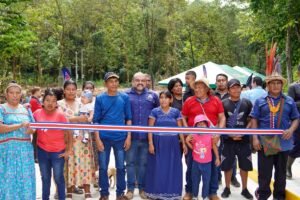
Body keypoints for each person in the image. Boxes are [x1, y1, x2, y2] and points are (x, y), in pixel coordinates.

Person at [251, 72, 299, 200]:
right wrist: (255, 138)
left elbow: (296, 119)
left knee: (281, 173)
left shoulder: (289, 101)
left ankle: (279, 197)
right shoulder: (260, 101)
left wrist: (291, 129)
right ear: (268, 85)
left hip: (284, 143)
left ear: (282, 85)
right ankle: (263, 195)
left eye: (279, 83)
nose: (276, 86)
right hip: (265, 142)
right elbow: (254, 119)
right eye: (273, 83)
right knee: (264, 173)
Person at [182, 78, 226, 200]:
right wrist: (188, 131)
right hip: (194, 140)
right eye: (195, 87)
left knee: (213, 167)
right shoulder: (189, 101)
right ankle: (190, 191)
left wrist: (218, 133)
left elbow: (222, 118)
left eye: (200, 87)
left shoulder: (216, 100)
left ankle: (212, 192)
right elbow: (183, 117)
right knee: (191, 167)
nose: (197, 89)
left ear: (207, 89)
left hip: (212, 139)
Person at [93, 72, 132, 200]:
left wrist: (128, 136)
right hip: (104, 138)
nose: (114, 83)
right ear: (106, 83)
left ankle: (120, 193)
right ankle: (104, 193)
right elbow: (96, 120)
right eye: (111, 81)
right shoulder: (99, 98)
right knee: (103, 166)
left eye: (116, 81)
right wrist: (97, 139)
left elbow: (128, 119)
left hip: (120, 138)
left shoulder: (124, 97)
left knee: (121, 166)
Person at [145, 91, 187, 200]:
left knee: (172, 167)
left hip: (172, 144)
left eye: (166, 98)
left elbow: (180, 129)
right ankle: (156, 193)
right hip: (158, 143)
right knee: (158, 168)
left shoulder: (176, 112)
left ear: (171, 100)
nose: (163, 100)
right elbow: (149, 129)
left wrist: (184, 144)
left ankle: (172, 193)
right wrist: (151, 144)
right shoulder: (154, 112)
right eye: (161, 98)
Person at [58, 80, 95, 199]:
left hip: (82, 139)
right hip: (65, 139)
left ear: (77, 90)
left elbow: (88, 117)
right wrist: (78, 118)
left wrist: (73, 118)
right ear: (64, 90)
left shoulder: (82, 103)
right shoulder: (59, 104)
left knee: (85, 163)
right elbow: (61, 120)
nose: (71, 91)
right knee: (68, 163)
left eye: (73, 89)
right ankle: (68, 190)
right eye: (68, 89)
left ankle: (87, 190)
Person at [125, 72, 159, 199]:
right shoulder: (125, 95)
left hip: (146, 138)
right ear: (133, 81)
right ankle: (130, 189)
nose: (140, 83)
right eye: (137, 80)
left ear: (146, 82)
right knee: (130, 163)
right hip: (130, 137)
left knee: (143, 164)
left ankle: (142, 189)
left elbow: (157, 114)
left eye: (142, 80)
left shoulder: (153, 96)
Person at [33, 88, 72, 200]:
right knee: (45, 178)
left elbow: (69, 132)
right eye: (48, 100)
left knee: (58, 177)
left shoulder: (61, 115)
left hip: (58, 152)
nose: (50, 103)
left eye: (53, 101)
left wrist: (68, 150)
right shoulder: (36, 114)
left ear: (56, 103)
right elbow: (29, 125)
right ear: (42, 102)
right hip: (42, 151)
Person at [0, 82, 36, 199]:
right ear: (6, 95)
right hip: (7, 151)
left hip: (25, 150)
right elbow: (1, 128)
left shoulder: (26, 109)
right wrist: (20, 125)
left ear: (21, 95)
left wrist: (30, 129)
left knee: (25, 179)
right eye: (11, 93)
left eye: (17, 93)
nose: (14, 95)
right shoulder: (2, 109)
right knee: (8, 179)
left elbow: (33, 127)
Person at [220, 79, 253, 199]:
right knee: (227, 165)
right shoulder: (223, 103)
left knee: (245, 165)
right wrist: (229, 135)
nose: (236, 90)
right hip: (228, 141)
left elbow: (251, 120)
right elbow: (220, 121)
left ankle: (244, 189)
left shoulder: (247, 103)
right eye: (233, 88)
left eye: (238, 87)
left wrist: (245, 132)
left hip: (244, 141)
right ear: (228, 90)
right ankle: (227, 188)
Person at [186, 114, 220, 200]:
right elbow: (192, 146)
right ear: (195, 125)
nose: (201, 125)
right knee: (195, 180)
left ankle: (204, 196)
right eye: (198, 123)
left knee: (206, 181)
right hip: (196, 163)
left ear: (207, 125)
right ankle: (195, 195)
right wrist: (187, 142)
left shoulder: (210, 135)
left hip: (207, 163)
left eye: (203, 123)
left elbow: (214, 146)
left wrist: (217, 158)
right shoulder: (194, 135)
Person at [214, 73, 240, 188]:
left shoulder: (234, 94)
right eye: (218, 80)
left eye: (223, 80)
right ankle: (218, 177)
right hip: (217, 129)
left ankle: (233, 177)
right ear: (216, 83)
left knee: (232, 155)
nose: (221, 82)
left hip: (232, 131)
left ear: (227, 82)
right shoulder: (213, 95)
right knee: (217, 154)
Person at [286, 65, 300, 179]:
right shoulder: (293, 87)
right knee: (297, 145)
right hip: (297, 121)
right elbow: (289, 104)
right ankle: (287, 167)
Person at [29, 86, 42, 163]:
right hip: (36, 122)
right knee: (36, 140)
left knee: (36, 139)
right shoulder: (34, 101)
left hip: (37, 122)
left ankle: (35, 156)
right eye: (39, 91)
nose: (40, 93)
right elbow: (40, 109)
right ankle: (35, 156)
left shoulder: (35, 100)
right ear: (36, 92)